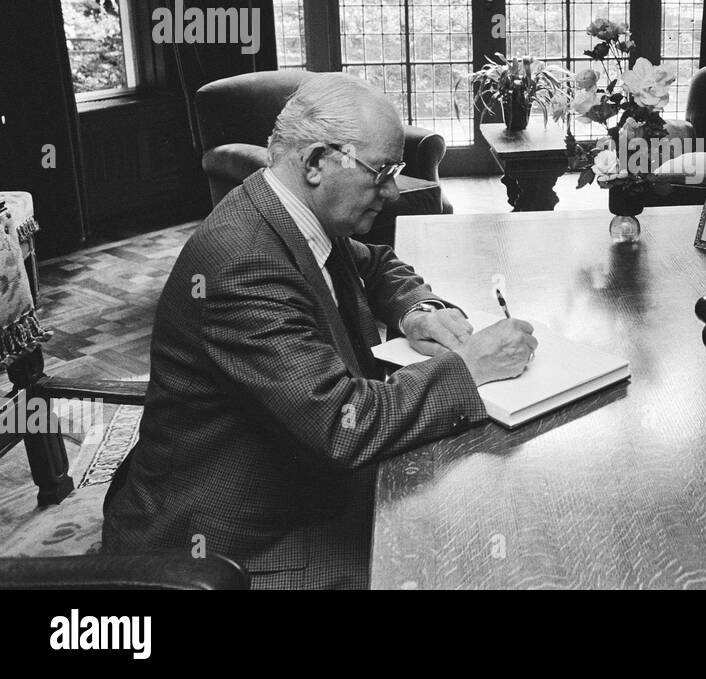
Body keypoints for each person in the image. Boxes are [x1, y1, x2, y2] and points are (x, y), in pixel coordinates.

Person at [103, 73, 538, 589]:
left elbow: (372, 264)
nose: (393, 191)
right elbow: (343, 424)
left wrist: (416, 310)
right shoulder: (243, 264)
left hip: (291, 487)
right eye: (382, 172)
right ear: (316, 162)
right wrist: (470, 367)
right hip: (240, 543)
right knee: (457, 565)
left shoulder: (289, 211)